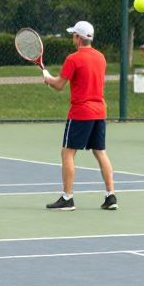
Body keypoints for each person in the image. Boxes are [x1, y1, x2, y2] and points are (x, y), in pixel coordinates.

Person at [43, 20, 117, 211]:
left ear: (78, 37)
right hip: (100, 112)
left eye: (73, 35)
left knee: (67, 152)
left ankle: (68, 198)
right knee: (100, 152)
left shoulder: (73, 59)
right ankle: (111, 197)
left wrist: (48, 79)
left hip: (81, 112)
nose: (72, 38)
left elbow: (59, 85)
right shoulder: (101, 57)